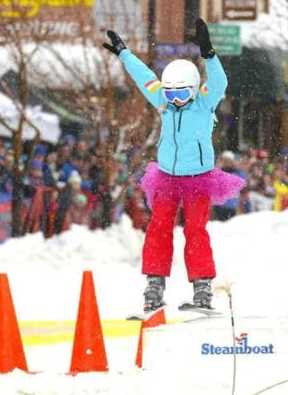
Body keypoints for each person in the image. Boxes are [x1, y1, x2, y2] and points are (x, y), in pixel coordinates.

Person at [103, 18, 245, 312]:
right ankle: (155, 284)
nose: (176, 100)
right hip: (167, 176)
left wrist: (209, 54)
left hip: (198, 179)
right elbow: (145, 77)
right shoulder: (163, 102)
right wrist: (125, 54)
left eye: (181, 94)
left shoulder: (204, 102)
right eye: (171, 94)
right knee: (158, 228)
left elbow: (219, 82)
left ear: (193, 89)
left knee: (195, 231)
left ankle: (202, 287)